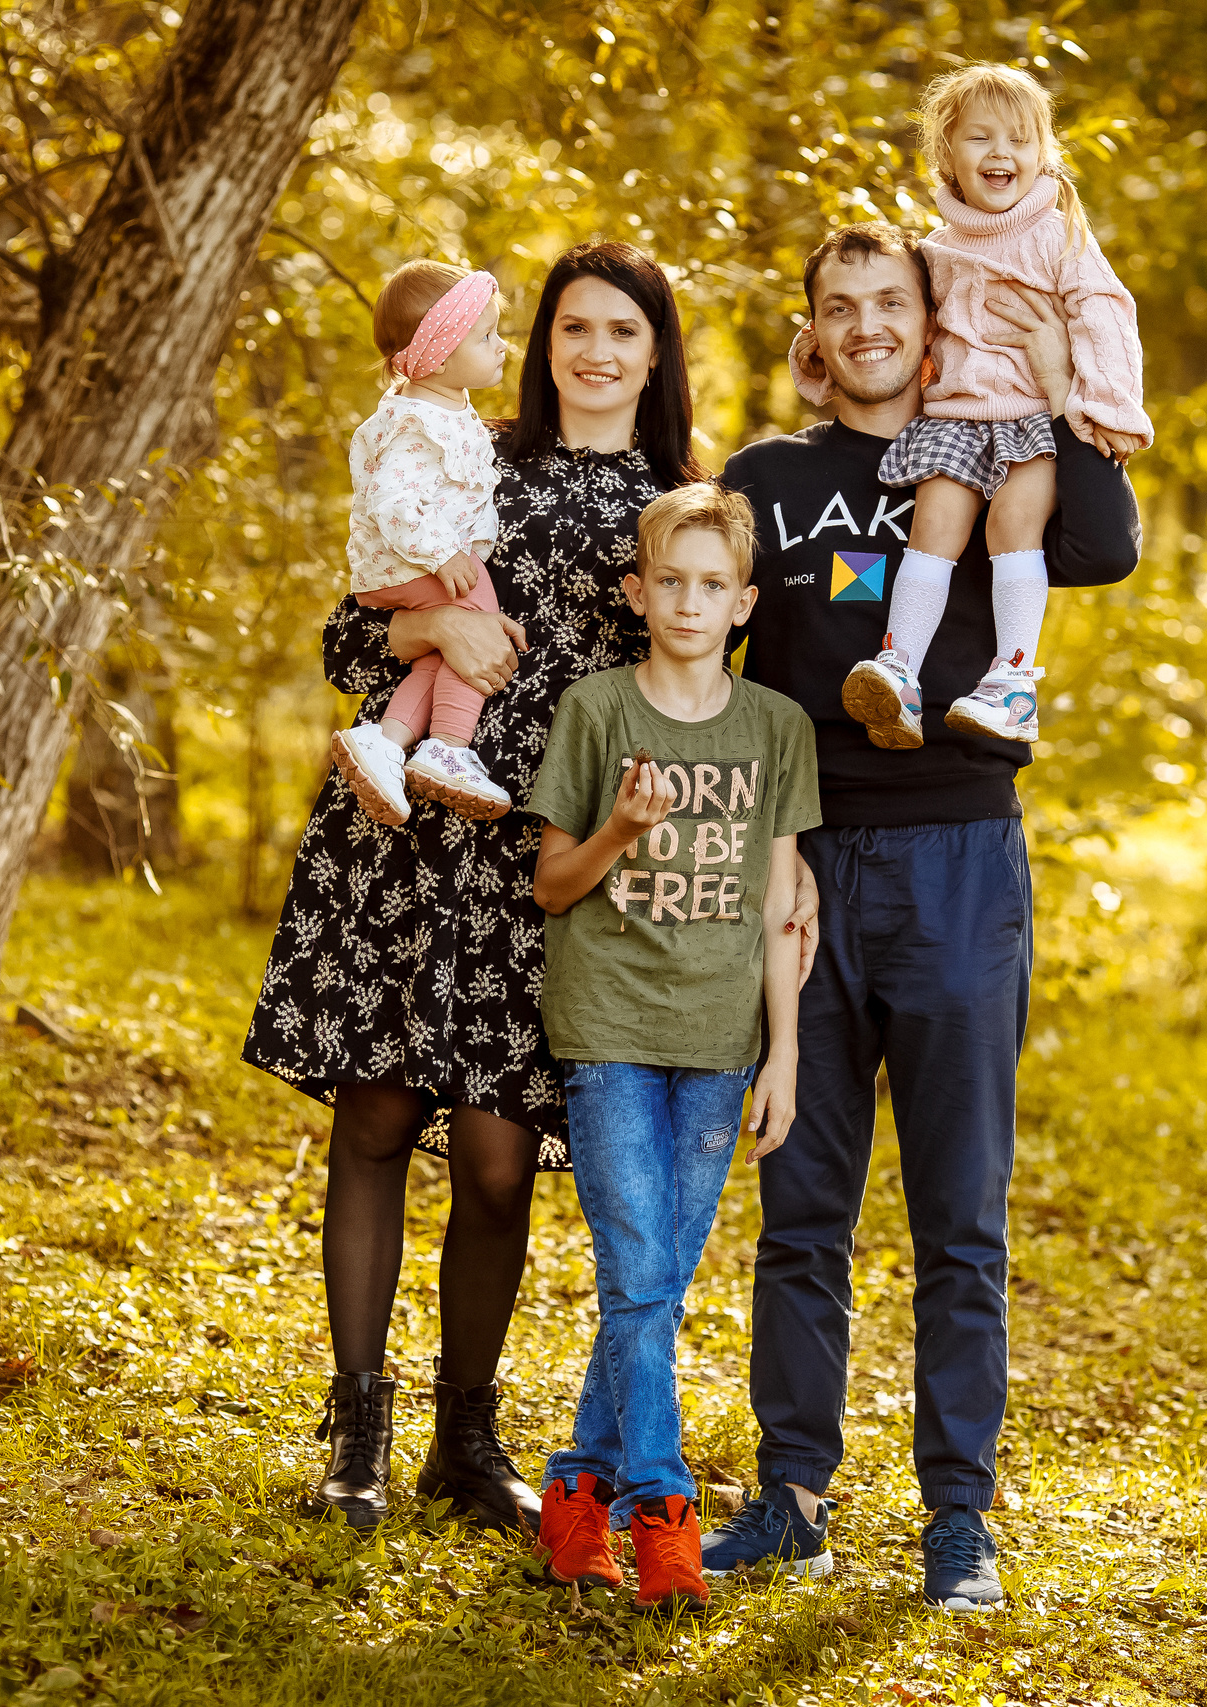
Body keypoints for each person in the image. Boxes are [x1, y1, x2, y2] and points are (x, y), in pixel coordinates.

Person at [247, 242, 776, 1536]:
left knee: (495, 1157)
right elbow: (344, 632)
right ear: (540, 344)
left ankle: (463, 1436)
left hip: (543, 848)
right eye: (574, 327)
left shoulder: (683, 504)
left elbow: (704, 686)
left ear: (658, 355)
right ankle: (357, 1427)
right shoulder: (457, 443)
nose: (597, 350)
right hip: (409, 819)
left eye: (625, 332)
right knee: (375, 1113)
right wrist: (435, 630)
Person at [702, 222, 1143, 1608]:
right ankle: (794, 1493)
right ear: (813, 335)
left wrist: (1052, 348)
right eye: (842, 307)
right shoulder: (766, 479)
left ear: (930, 316)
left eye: (892, 299)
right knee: (802, 1205)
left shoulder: (1003, 439)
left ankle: (959, 1511)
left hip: (962, 853)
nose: (870, 324)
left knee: (962, 1214)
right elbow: (685, 631)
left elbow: (1110, 542)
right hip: (808, 868)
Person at [523, 483, 821, 1612]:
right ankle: (660, 1505)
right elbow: (554, 885)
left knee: (648, 1286)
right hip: (606, 1025)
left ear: (741, 602)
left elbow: (781, 908)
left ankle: (571, 1494)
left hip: (718, 1041)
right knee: (640, 1268)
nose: (689, 603)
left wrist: (781, 1056)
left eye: (712, 586)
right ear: (635, 592)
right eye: (670, 583)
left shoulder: (774, 727)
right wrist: (622, 830)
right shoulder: (597, 711)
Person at [822, 64, 1151, 752]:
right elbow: (892, 313)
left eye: (1019, 140)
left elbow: (1105, 312)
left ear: (1043, 154)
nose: (1001, 153)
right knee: (934, 524)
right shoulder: (936, 248)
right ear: (947, 155)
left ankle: (1013, 680)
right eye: (980, 138)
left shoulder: (1057, 235)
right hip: (955, 418)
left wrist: (1108, 406)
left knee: (1013, 523)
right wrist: (814, 353)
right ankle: (899, 668)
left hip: (1032, 417)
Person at [331, 259, 516, 824]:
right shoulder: (418, 422)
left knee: (438, 658)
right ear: (438, 353)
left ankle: (386, 742)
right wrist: (445, 553)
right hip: (414, 564)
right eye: (485, 336)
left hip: (408, 569)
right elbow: (392, 499)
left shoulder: (440, 405)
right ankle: (449, 748)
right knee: (478, 618)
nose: (502, 346)